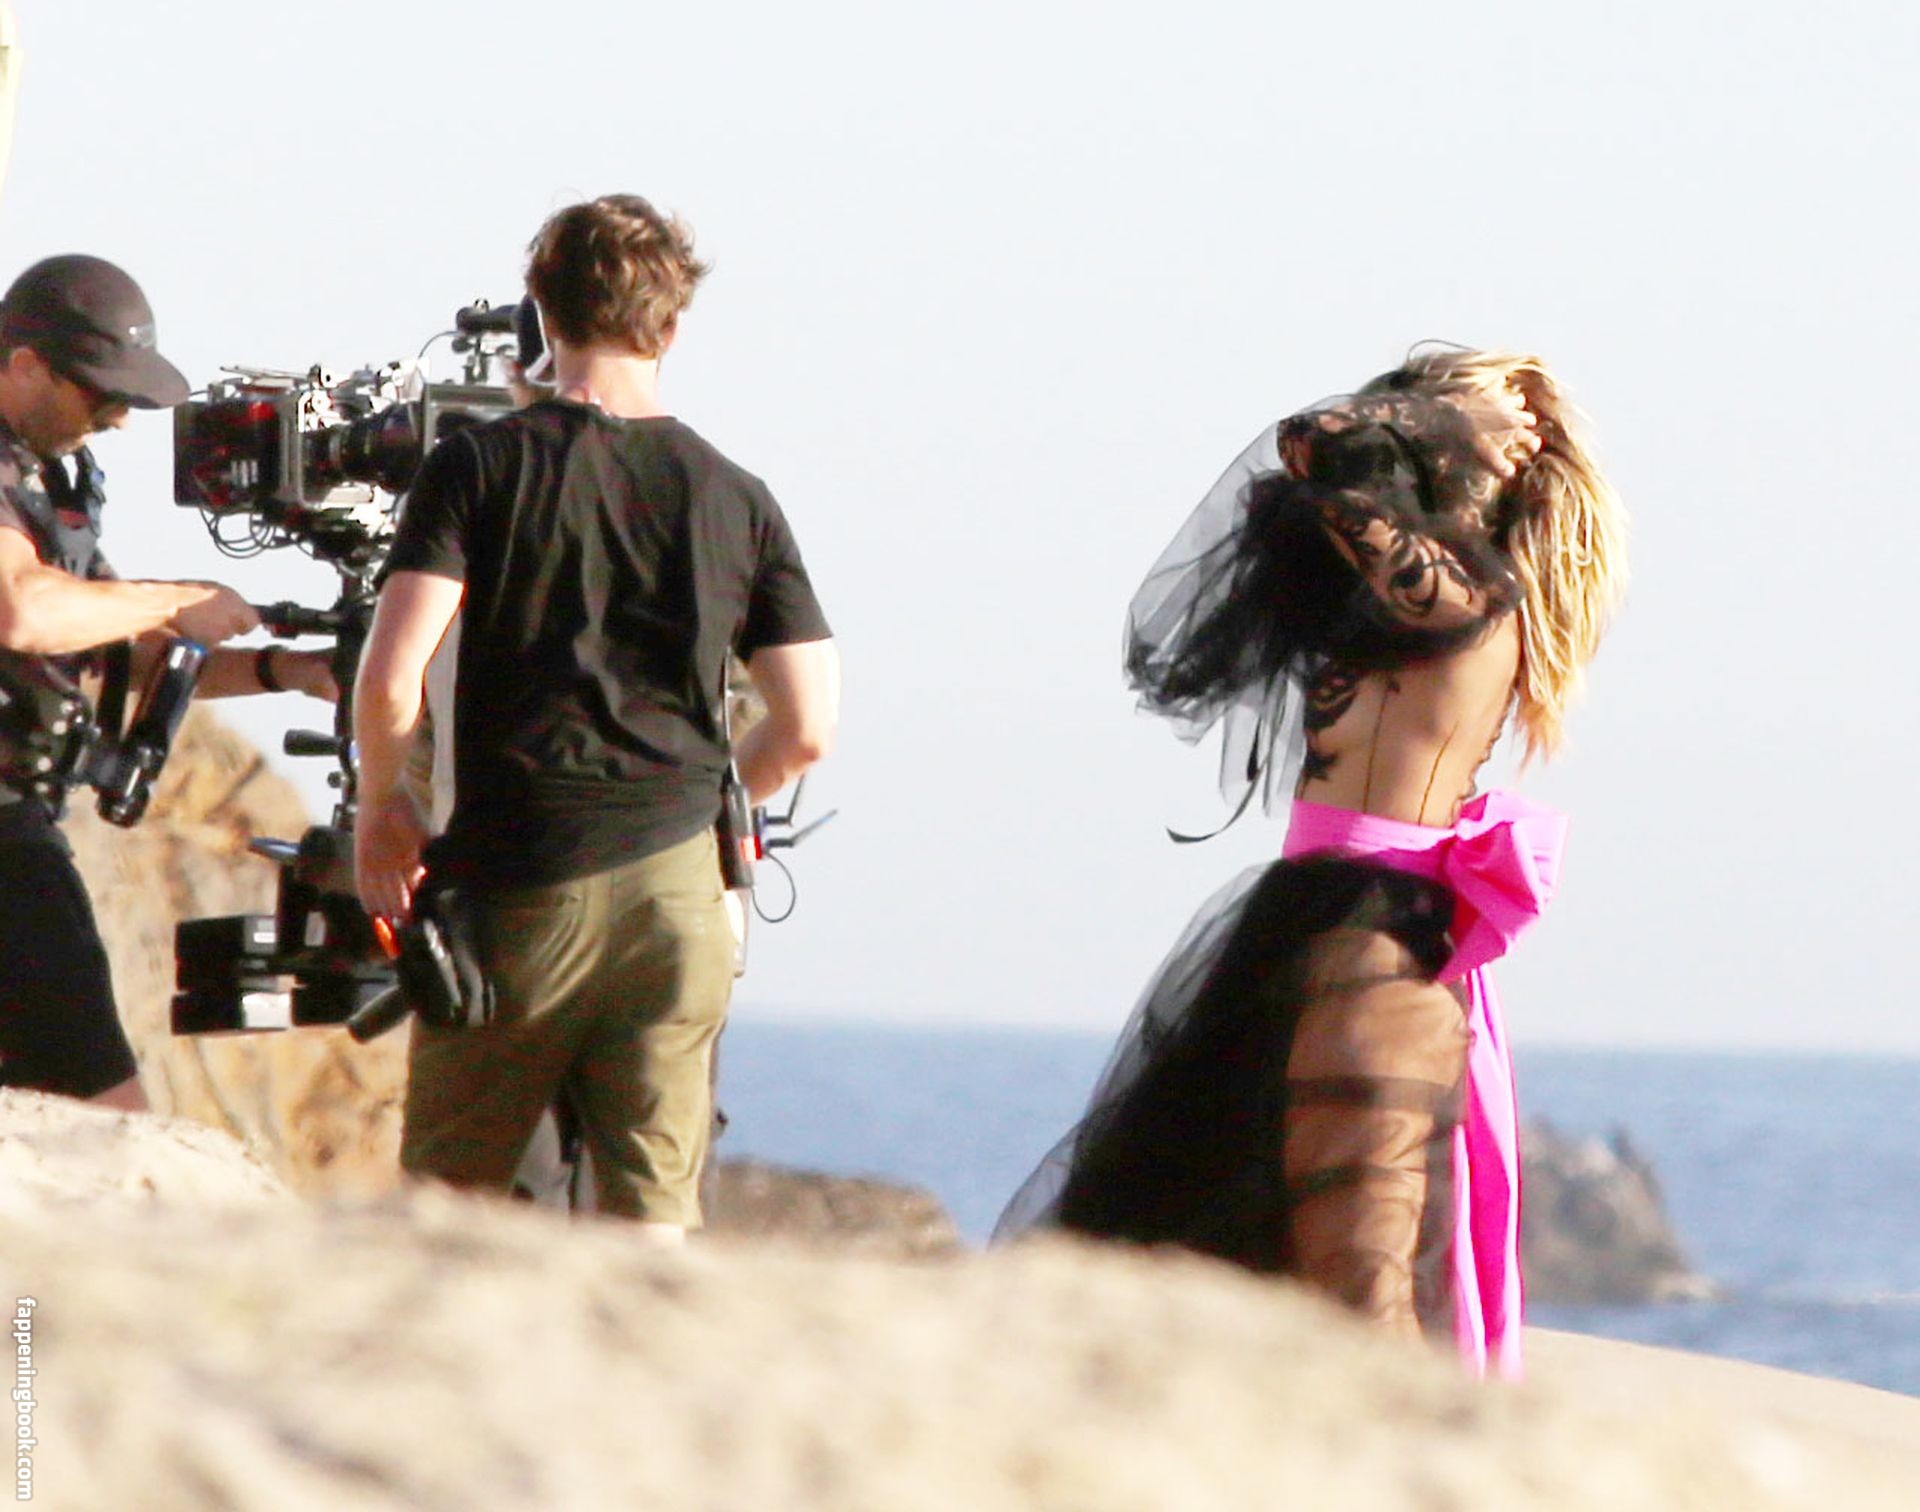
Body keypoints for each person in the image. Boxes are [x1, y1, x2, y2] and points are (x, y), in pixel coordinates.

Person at [996, 348, 1627, 1378]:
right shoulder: (1410, 598)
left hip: (1368, 940)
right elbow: (1305, 474)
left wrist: (1450, 421)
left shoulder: (1460, 591)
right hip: (1334, 924)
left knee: (1360, 1287)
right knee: (1255, 1258)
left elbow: (1311, 442)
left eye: (1416, 420)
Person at [353, 194, 838, 1243]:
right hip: (678, 903)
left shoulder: (477, 466)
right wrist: (712, 809)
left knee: (445, 1225)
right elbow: (807, 724)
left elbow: (391, 681)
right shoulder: (737, 496)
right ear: (672, 327)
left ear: (543, 311)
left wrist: (384, 814)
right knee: (654, 1236)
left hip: (516, 886)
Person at [0, 253, 335, 1107]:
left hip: (23, 822)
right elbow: (23, 612)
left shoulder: (42, 481)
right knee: (105, 1114)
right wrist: (179, 598)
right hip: (8, 843)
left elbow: (119, 649)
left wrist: (284, 669)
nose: (116, 419)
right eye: (100, 396)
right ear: (26, 365)